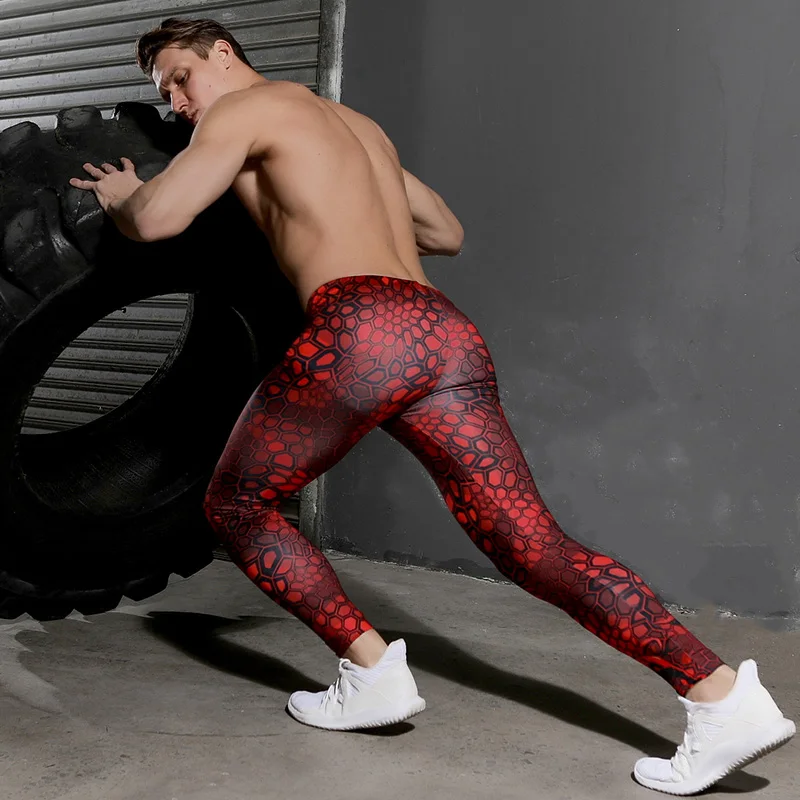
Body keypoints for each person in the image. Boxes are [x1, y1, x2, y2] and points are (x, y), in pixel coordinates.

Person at [70, 17, 794, 795]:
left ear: (223, 52)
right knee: (533, 545)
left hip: (362, 327)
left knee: (236, 505)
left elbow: (159, 219)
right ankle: (720, 696)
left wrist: (124, 196)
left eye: (181, 78)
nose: (179, 102)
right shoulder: (357, 127)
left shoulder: (243, 109)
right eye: (166, 94)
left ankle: (370, 672)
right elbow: (445, 231)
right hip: (442, 333)